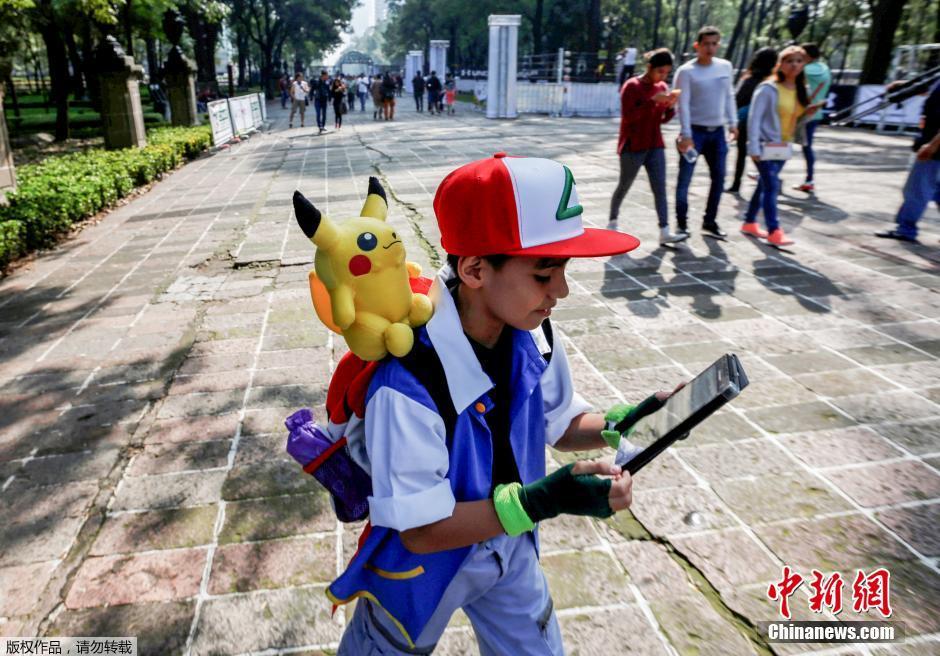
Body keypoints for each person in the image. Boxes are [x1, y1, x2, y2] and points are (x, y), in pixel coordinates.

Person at [332, 152, 683, 654]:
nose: (561, 290)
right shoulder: (406, 383)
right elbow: (421, 530)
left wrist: (620, 424)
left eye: (563, 270)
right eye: (544, 274)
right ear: (475, 268)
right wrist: (543, 501)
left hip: (510, 544)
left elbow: (559, 423)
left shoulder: (534, 334)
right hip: (419, 572)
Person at [743, 46, 823, 246]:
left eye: (799, 61)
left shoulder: (802, 90)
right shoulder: (768, 88)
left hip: (784, 145)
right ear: (780, 64)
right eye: (789, 61)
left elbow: (796, 119)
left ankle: (749, 222)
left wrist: (808, 113)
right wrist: (753, 147)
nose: (794, 65)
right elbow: (754, 119)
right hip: (765, 144)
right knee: (772, 186)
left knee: (764, 185)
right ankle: (774, 230)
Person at [610, 48, 686, 245]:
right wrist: (651, 101)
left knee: (660, 188)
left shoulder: (661, 86)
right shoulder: (632, 86)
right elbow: (629, 117)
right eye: (660, 71)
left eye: (667, 72)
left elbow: (662, 119)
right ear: (650, 67)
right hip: (633, 145)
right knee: (624, 185)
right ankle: (612, 222)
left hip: (655, 144)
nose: (663, 76)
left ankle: (665, 230)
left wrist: (670, 106)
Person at [674, 26, 738, 239]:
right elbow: (682, 104)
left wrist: (733, 123)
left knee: (719, 178)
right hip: (694, 132)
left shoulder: (725, 66)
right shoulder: (686, 71)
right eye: (706, 44)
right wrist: (686, 133)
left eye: (714, 44)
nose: (710, 48)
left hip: (718, 132)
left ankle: (710, 221)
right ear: (697, 45)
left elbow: (729, 96)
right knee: (685, 180)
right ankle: (682, 224)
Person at [875, 79, 940, 243]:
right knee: (936, 191)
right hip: (933, 144)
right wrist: (905, 86)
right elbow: (931, 91)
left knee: (917, 190)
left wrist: (932, 145)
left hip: (935, 149)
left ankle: (905, 230)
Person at [727, 47, 778, 194]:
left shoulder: (749, 80)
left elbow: (737, 100)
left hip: (746, 123)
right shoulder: (775, 83)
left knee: (742, 153)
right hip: (768, 125)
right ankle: (772, 180)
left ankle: (736, 184)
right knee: (769, 156)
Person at [793, 43, 832, 193]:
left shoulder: (803, 69)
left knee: (781, 140)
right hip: (815, 113)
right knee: (807, 147)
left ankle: (768, 173)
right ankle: (809, 179)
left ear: (807, 55)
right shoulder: (825, 69)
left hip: (799, 112)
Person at [312, 70, 331, 134]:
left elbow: (329, 91)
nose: (327, 76)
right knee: (318, 114)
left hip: (324, 100)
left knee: (324, 114)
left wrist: (330, 99)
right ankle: (320, 126)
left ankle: (323, 125)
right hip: (317, 100)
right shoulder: (317, 81)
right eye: (327, 75)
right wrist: (311, 98)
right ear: (323, 75)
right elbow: (312, 89)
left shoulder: (327, 82)